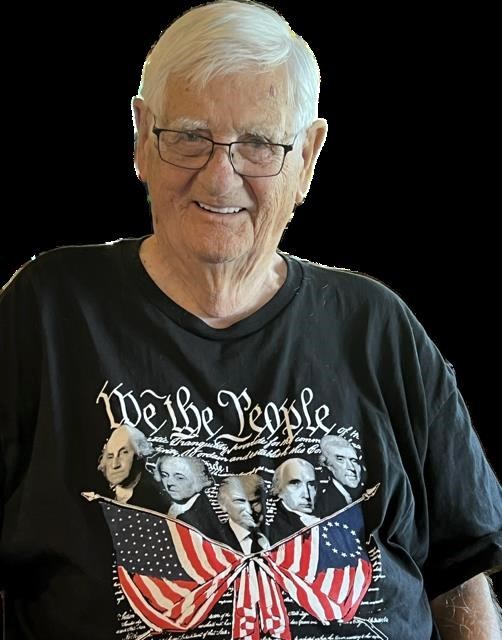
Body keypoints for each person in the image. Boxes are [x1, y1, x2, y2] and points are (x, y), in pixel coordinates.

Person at [0, 1, 501, 639]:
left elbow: (460, 575)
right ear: (142, 137)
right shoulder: (45, 314)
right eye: (189, 136)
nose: (220, 177)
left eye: (259, 143)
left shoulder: (380, 330)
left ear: (307, 158)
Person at [97, 423, 171, 512]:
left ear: (140, 455)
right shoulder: (98, 495)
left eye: (124, 453)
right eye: (110, 456)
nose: (115, 465)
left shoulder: (156, 498)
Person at [153, 454, 222, 538]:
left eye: (179, 478)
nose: (169, 483)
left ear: (198, 480)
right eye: (164, 475)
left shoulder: (203, 517)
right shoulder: (161, 504)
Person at [268, 458, 319, 543]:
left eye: (311, 484)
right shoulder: (272, 528)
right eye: (295, 483)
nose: (306, 495)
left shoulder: (331, 515)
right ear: (278, 489)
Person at [217, 475, 269, 554]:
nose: (249, 511)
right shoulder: (214, 540)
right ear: (222, 503)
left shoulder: (277, 536)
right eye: (240, 501)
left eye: (255, 502)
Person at [316, 434, 364, 516]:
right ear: (327, 465)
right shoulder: (322, 502)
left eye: (354, 461)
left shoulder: (365, 494)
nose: (352, 468)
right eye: (341, 459)